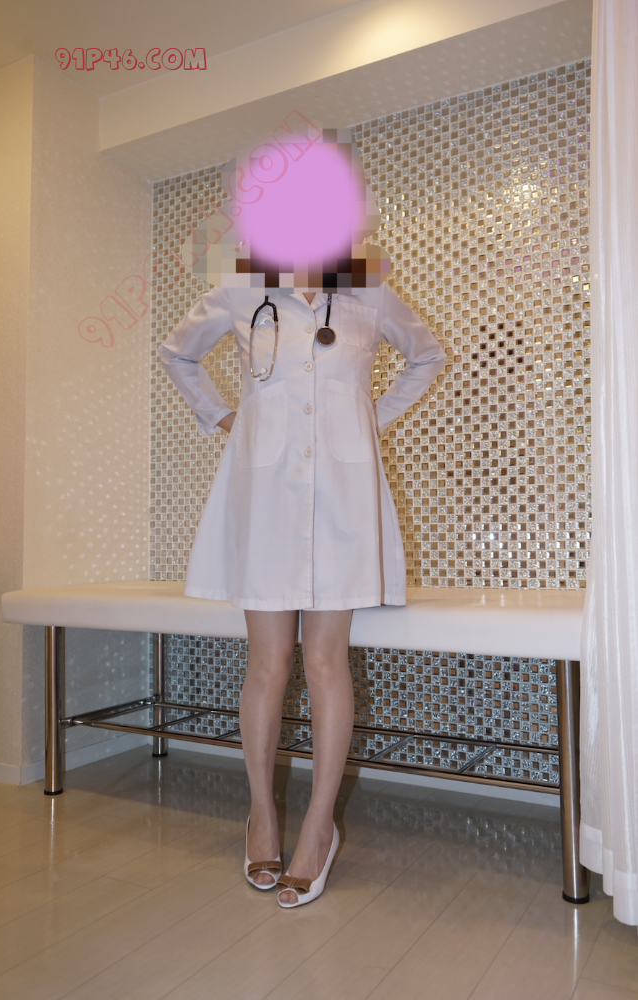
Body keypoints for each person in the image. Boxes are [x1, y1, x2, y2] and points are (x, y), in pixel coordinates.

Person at [160, 281, 446, 906]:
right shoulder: (241, 292)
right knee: (267, 662)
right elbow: (178, 352)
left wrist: (369, 419)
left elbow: (427, 355)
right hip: (265, 494)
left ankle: (319, 828)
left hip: (342, 496)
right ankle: (261, 814)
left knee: (325, 661)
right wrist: (223, 416)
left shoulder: (369, 293)